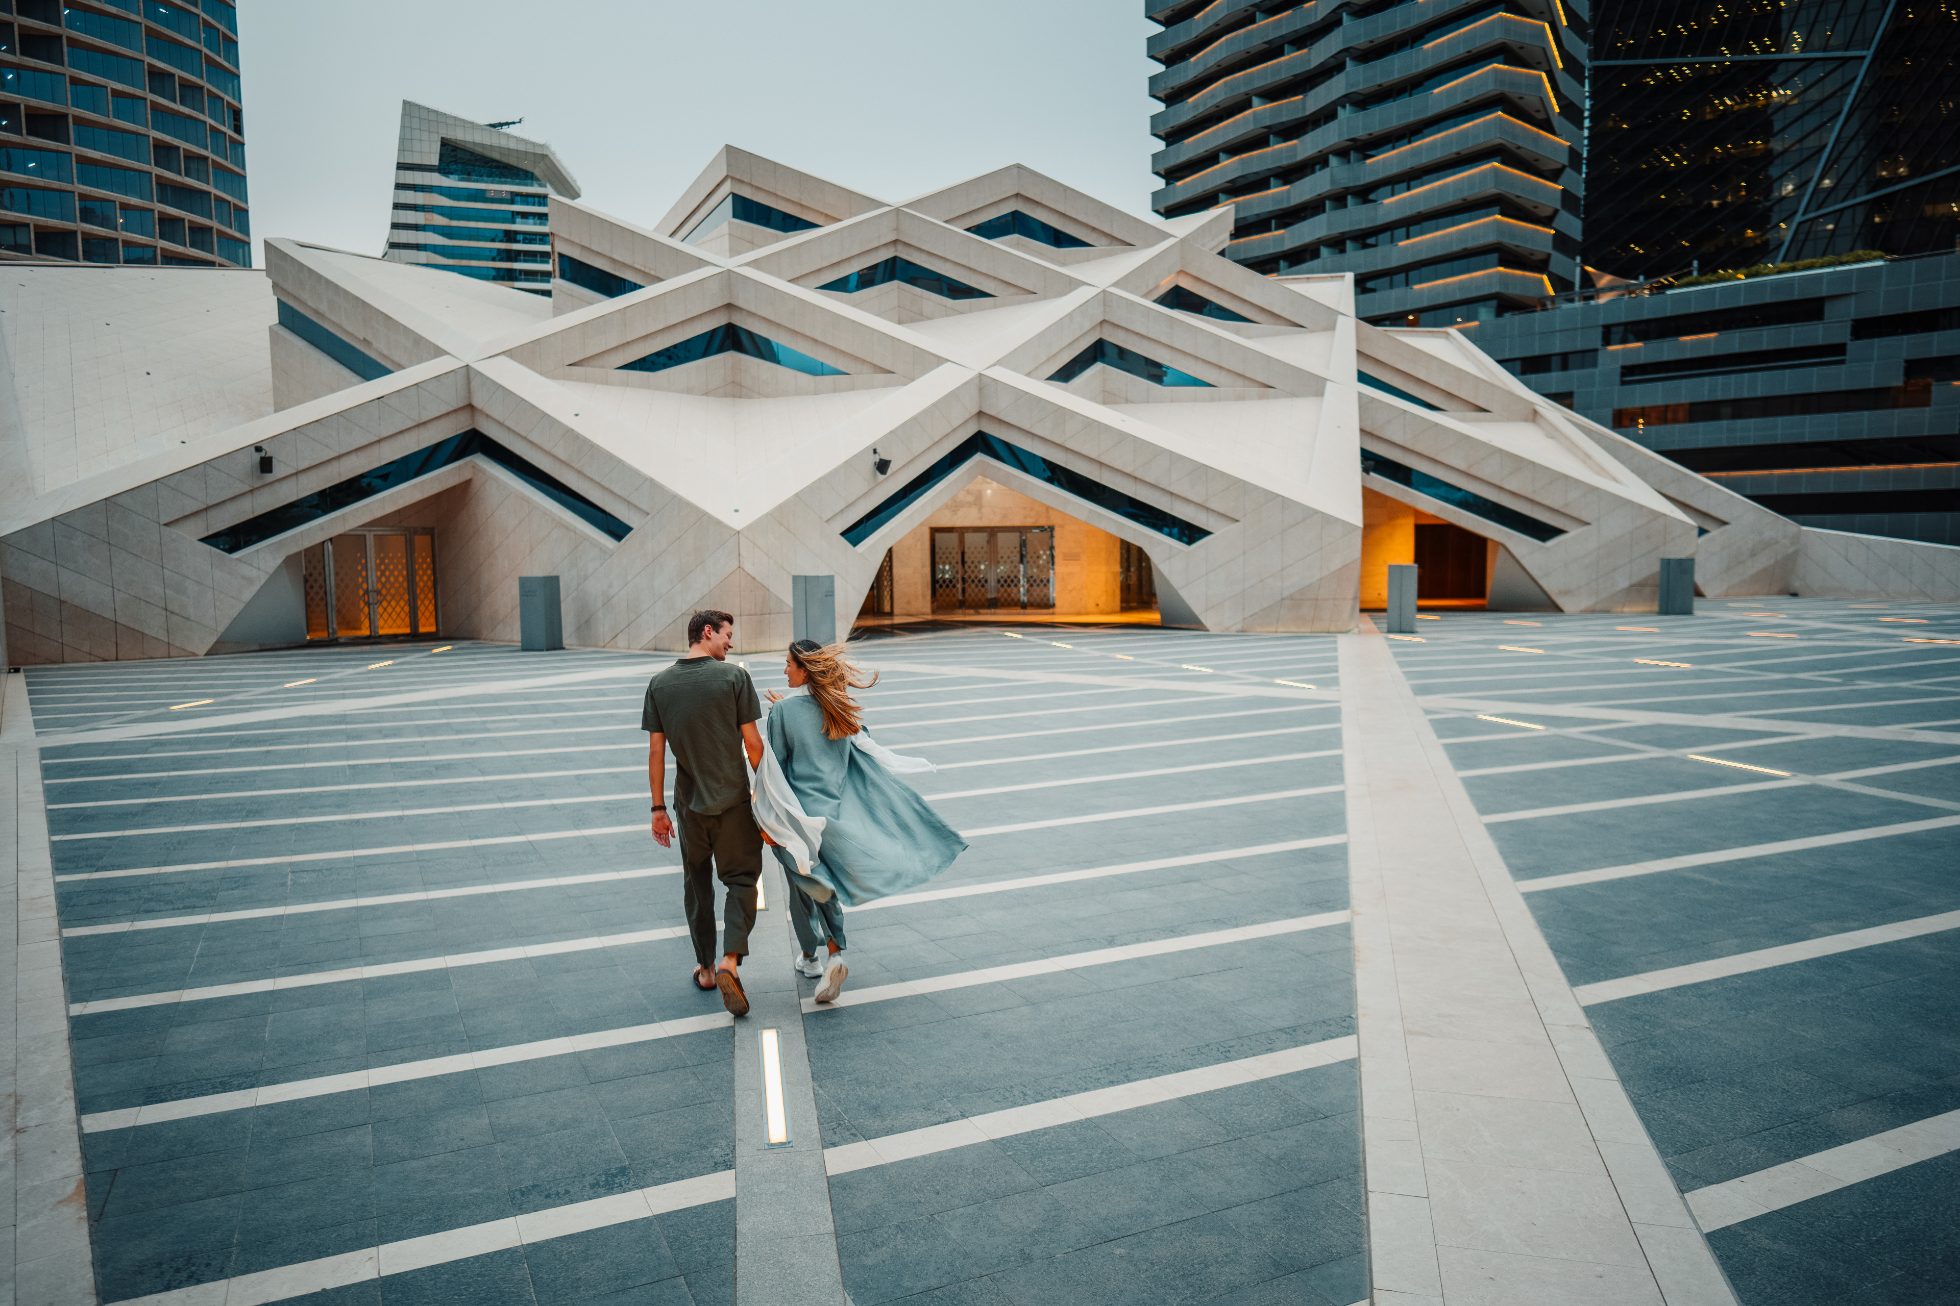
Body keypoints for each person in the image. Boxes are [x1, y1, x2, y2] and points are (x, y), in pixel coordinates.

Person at [753, 639, 968, 1004]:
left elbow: (773, 769)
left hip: (798, 817)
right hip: (835, 815)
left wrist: (764, 817)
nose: (784, 670)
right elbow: (861, 744)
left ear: (804, 670)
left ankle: (810, 955)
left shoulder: (785, 712)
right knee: (824, 883)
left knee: (805, 884)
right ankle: (835, 952)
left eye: (788, 664)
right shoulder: (839, 710)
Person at [643, 609, 765, 1018]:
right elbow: (753, 744)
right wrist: (767, 796)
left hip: (688, 806)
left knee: (697, 885)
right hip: (732, 803)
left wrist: (658, 808)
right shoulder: (733, 678)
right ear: (707, 632)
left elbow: (656, 750)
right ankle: (732, 958)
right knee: (743, 880)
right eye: (728, 635)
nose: (730, 643)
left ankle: (708, 969)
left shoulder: (659, 684)